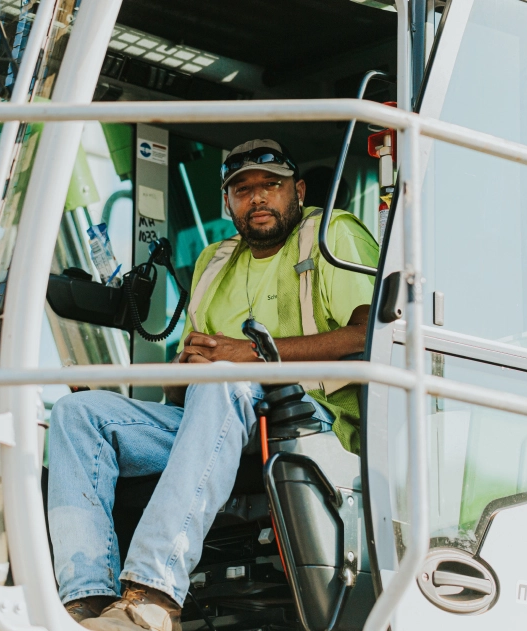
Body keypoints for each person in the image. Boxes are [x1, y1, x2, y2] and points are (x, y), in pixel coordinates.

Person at [47, 139, 379, 631]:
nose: (258, 198)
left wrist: (244, 355)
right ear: (228, 203)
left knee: (225, 378)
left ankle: (152, 596)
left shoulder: (331, 234)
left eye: (271, 185)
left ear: (299, 191)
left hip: (315, 420)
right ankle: (87, 603)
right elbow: (184, 394)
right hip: (216, 416)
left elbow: (367, 336)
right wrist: (185, 366)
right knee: (78, 414)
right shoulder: (213, 262)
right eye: (242, 190)